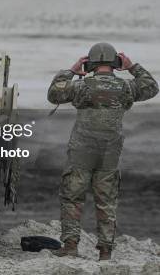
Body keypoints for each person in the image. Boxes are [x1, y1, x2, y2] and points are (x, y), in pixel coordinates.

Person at [47, 42, 158, 260]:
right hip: (110, 152)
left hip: (81, 150)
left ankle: (70, 247)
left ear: (90, 64)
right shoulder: (126, 87)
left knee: (72, 198)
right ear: (116, 64)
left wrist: (71, 71)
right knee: (106, 201)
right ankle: (106, 251)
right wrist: (133, 67)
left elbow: (53, 94)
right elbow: (151, 87)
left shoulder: (81, 86)